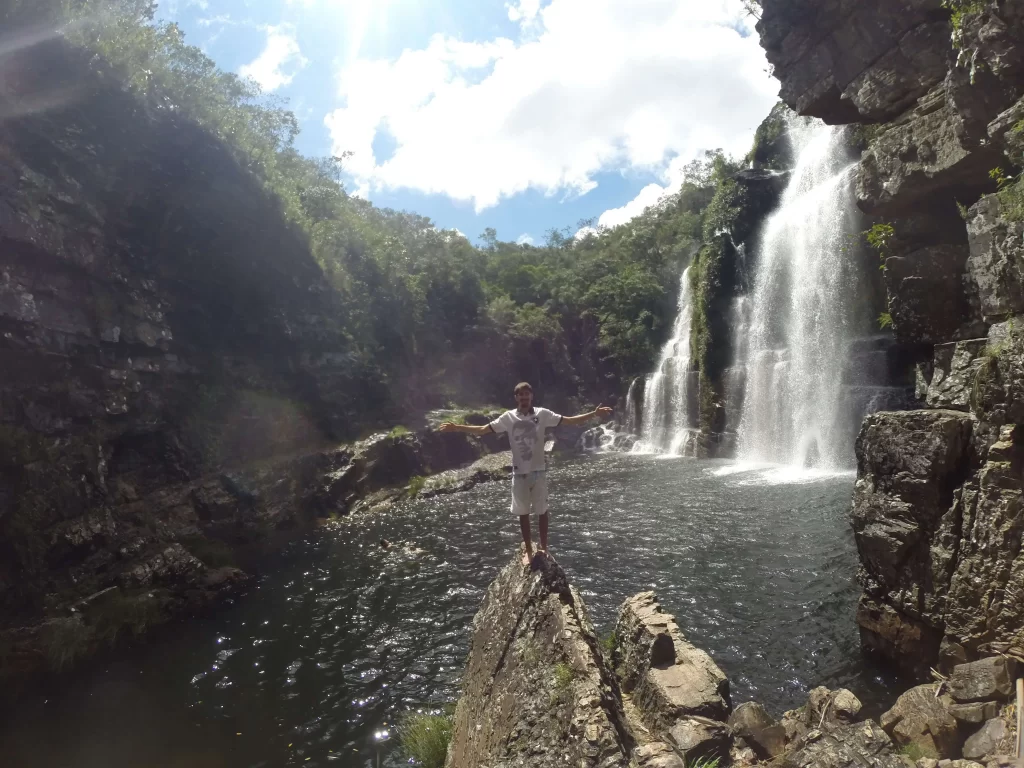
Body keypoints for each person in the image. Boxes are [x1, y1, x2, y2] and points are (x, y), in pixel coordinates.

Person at [439, 382, 612, 565]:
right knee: (524, 513)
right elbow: (483, 430)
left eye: (527, 394)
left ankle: (544, 548)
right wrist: (457, 427)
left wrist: (594, 414)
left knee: (543, 511)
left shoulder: (543, 414)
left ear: (531, 397)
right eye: (521, 395)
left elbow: (569, 420)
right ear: (516, 398)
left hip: (539, 471)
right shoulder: (508, 417)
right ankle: (529, 551)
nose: (524, 397)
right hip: (519, 474)